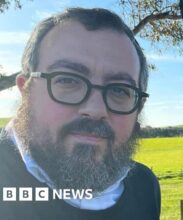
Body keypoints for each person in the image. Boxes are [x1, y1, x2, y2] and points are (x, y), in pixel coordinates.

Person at [0, 7, 160, 220]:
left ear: (138, 107)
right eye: (68, 80)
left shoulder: (144, 186)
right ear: (25, 90)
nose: (95, 110)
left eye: (120, 90)